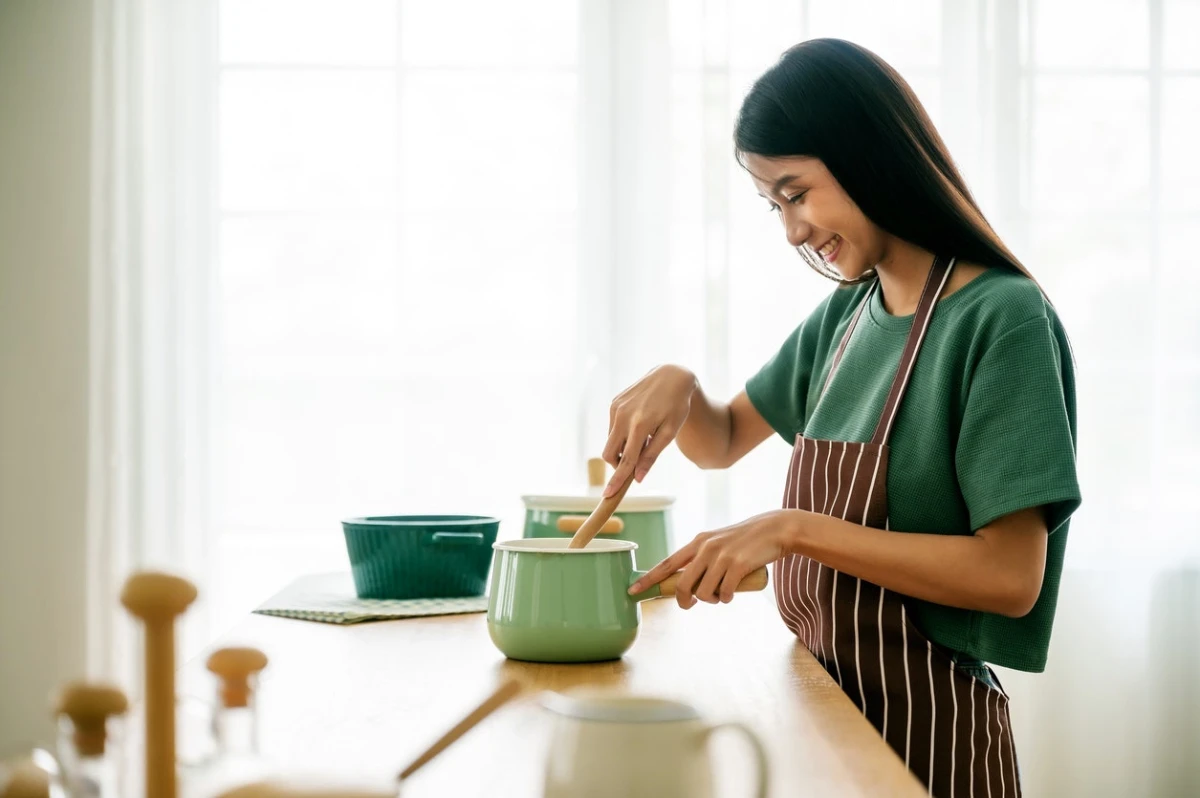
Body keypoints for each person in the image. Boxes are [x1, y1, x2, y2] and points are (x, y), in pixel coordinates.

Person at [603, 38, 1081, 797]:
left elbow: (1011, 575)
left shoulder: (1002, 319)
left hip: (933, 739)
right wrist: (680, 385)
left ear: (870, 155)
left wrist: (794, 528)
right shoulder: (847, 318)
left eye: (797, 193)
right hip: (825, 715)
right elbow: (723, 439)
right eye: (775, 205)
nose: (792, 230)